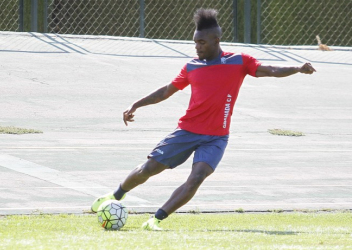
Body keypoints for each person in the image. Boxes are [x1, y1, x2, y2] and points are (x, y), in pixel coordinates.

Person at [91, 8, 316, 230]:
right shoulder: (192, 66)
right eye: (195, 43)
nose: (197, 47)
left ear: (216, 40)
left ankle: (155, 220)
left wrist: (297, 68)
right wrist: (136, 104)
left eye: (201, 43)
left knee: (196, 177)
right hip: (187, 131)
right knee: (149, 168)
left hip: (216, 138)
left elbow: (269, 69)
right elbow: (166, 91)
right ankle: (114, 195)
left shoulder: (239, 61)